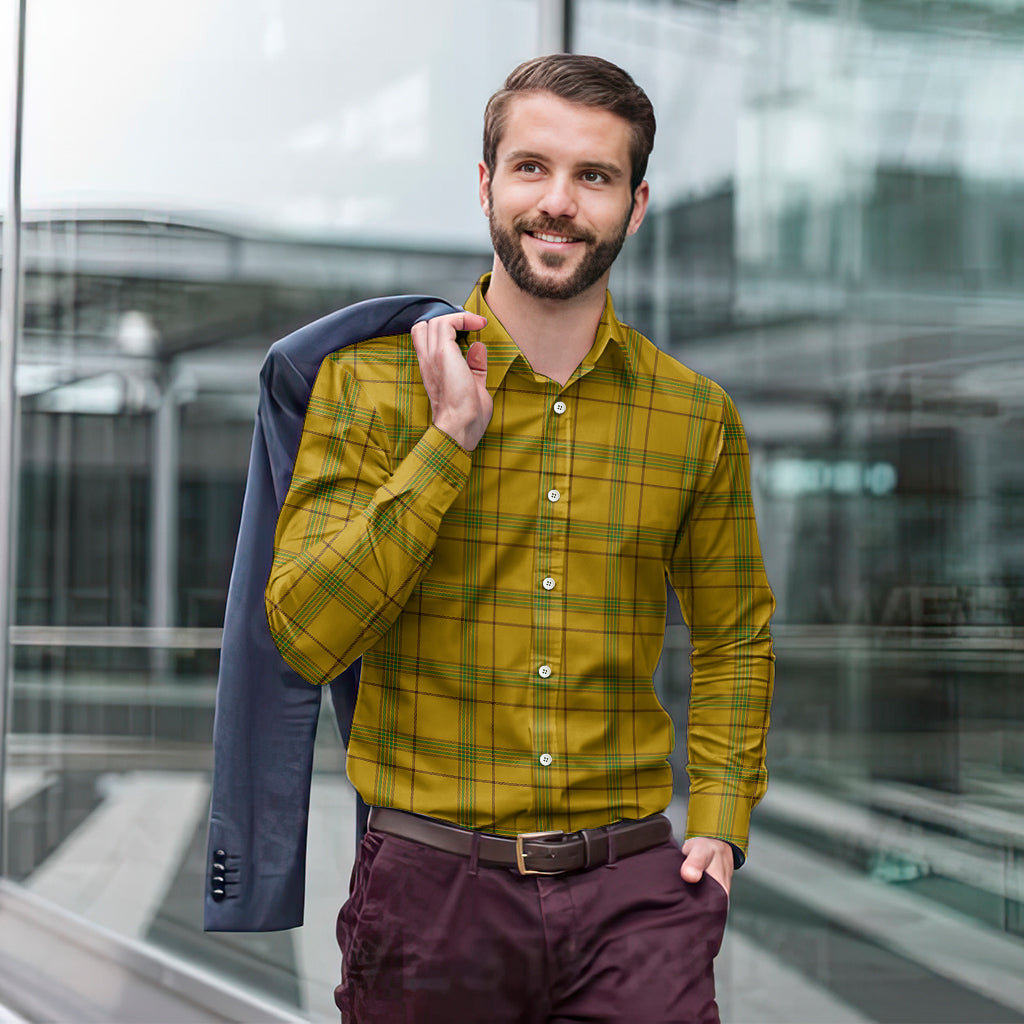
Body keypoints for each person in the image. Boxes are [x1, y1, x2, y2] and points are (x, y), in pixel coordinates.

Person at [265, 53, 774, 1024]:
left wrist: (719, 816)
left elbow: (734, 633)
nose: (559, 202)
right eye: (532, 167)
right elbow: (305, 634)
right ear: (487, 182)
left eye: (595, 176)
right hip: (431, 895)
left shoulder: (693, 416)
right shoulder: (370, 387)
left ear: (636, 203)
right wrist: (448, 440)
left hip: (634, 894)